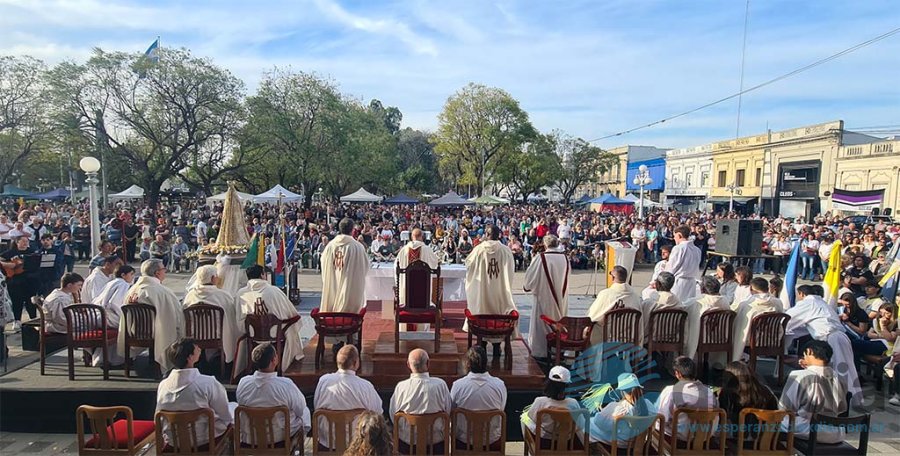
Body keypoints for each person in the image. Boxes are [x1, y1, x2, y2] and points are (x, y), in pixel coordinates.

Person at [785, 285, 861, 405]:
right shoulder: (822, 303)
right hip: (841, 337)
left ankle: (842, 401)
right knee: (847, 369)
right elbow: (807, 326)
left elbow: (787, 319)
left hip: (832, 338)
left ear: (801, 294)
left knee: (839, 370)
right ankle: (849, 400)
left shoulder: (807, 303)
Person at [156, 339, 233, 447]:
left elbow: (158, 419)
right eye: (196, 348)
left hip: (174, 441)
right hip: (203, 440)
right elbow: (224, 415)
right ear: (190, 357)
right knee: (232, 416)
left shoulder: (163, 385)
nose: (200, 349)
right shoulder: (208, 383)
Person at [236, 343, 310, 447]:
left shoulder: (243, 383)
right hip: (279, 440)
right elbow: (300, 409)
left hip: (251, 439)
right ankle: (298, 446)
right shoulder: (285, 385)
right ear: (274, 360)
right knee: (305, 412)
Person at [313, 344, 382, 449]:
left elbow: (316, 405)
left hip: (327, 444)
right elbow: (378, 412)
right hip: (358, 447)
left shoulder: (323, 381)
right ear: (356, 363)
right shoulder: (365, 386)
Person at [121, 259, 185, 372]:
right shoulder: (162, 291)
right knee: (178, 328)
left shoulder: (132, 290)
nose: (165, 271)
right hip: (155, 333)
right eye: (163, 269)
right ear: (157, 273)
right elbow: (174, 315)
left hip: (133, 332)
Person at [779, 340, 848, 443]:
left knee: (774, 420)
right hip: (836, 432)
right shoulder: (839, 377)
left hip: (808, 430)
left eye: (804, 355)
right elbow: (842, 409)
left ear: (809, 352)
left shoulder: (799, 375)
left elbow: (785, 407)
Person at [464, 225, 518, 354]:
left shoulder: (478, 250)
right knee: (499, 311)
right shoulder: (505, 250)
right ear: (498, 235)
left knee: (481, 309)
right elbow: (511, 270)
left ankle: (481, 342)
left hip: (482, 291)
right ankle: (496, 346)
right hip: (500, 292)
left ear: (486, 235)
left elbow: (468, 265)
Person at [237, 265, 304, 370]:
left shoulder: (241, 293)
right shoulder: (274, 291)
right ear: (262, 275)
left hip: (252, 333)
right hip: (274, 333)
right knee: (291, 329)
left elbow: (239, 317)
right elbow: (292, 314)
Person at [389, 348, 452, 454]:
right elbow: (448, 411)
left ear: (408, 365)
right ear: (428, 363)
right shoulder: (440, 385)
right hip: (435, 446)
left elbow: (393, 415)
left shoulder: (401, 387)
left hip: (407, 446)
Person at [450, 346, 507, 450]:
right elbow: (501, 408)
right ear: (487, 362)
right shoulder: (499, 385)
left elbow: (451, 411)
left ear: (467, 364)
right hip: (491, 440)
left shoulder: (458, 385)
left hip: (464, 441)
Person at [183, 265, 242, 367]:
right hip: (218, 335)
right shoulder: (223, 296)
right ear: (213, 278)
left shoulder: (190, 296)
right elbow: (232, 318)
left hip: (194, 335)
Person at [523, 235, 570, 359]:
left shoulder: (541, 257)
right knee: (559, 321)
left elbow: (530, 279)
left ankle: (541, 352)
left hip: (544, 297)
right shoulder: (565, 258)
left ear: (545, 244)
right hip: (561, 297)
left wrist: (528, 286)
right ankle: (558, 350)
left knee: (543, 324)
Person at [655, 356, 718, 441]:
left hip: (677, 441)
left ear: (678, 374)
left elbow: (662, 419)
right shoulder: (710, 393)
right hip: (704, 441)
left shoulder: (671, 391)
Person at [589, 373, 657, 447]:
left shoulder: (617, 408)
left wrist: (604, 411)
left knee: (588, 424)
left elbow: (598, 422)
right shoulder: (649, 406)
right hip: (639, 444)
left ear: (621, 391)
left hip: (621, 445)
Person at [523, 366, 583, 444]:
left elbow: (532, 418)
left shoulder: (540, 401)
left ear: (548, 384)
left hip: (544, 442)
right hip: (567, 442)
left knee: (524, 418)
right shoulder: (573, 403)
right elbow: (580, 424)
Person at [319, 218, 368, 313]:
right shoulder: (357, 247)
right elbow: (365, 267)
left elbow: (323, 262)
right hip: (349, 289)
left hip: (333, 286)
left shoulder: (330, 246)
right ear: (353, 230)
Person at [588, 265, 645, 345]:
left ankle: (595, 356)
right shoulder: (635, 296)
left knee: (591, 327)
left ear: (612, 278)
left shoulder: (606, 294)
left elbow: (593, 316)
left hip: (608, 337)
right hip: (630, 337)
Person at [731, 277, 782, 361]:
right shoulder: (778, 302)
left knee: (735, 330)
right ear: (767, 288)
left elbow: (740, 325)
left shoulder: (747, 305)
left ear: (751, 289)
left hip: (752, 339)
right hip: (774, 338)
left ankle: (735, 361)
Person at [717, 361, 778, 429]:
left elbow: (720, 420)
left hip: (733, 437)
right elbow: (776, 416)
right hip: (766, 437)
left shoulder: (727, 394)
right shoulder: (766, 392)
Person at [684, 276, 731, 359]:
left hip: (700, 337)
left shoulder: (697, 302)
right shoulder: (725, 301)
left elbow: (682, 307)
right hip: (720, 337)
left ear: (702, 289)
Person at [664, 225, 701, 302]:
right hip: (691, 283)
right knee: (688, 307)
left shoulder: (678, 248)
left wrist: (663, 279)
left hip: (678, 282)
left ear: (679, 235)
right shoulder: (697, 250)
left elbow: (672, 267)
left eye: (675, 236)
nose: (674, 238)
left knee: (676, 305)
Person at [95, 264, 135, 330]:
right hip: (108, 318)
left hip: (98, 316)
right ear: (123, 275)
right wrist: (124, 317)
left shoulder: (111, 282)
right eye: (131, 274)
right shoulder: (123, 284)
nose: (133, 277)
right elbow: (114, 303)